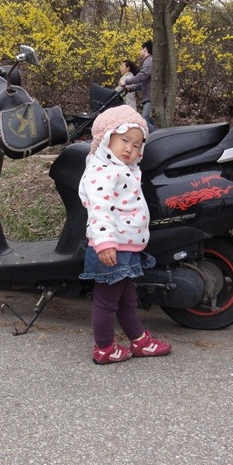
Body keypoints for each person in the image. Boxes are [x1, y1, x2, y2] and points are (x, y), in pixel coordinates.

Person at [78, 104, 172, 365]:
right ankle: (104, 348)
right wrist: (104, 242)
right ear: (106, 139)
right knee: (107, 302)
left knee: (127, 299)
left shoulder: (123, 169)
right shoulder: (102, 170)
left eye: (137, 144)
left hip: (125, 248)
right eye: (124, 140)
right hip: (111, 248)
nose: (130, 148)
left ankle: (138, 340)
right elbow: (99, 208)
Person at [122, 40, 156, 133]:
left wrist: (126, 82)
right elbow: (143, 82)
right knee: (149, 121)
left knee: (145, 120)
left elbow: (142, 76)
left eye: (141, 49)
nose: (140, 51)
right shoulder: (150, 61)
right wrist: (131, 88)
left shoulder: (149, 61)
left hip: (151, 98)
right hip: (149, 97)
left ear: (145, 49)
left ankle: (158, 139)